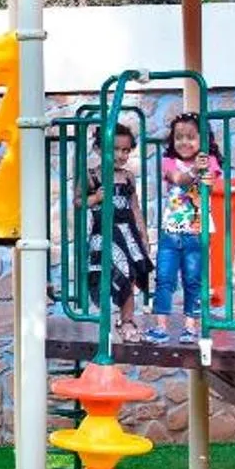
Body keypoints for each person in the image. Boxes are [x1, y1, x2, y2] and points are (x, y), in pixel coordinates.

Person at [153, 113, 223, 342]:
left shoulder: (209, 160)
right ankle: (161, 326)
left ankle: (191, 326)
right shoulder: (169, 162)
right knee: (164, 277)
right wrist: (194, 171)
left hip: (196, 230)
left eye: (191, 137)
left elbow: (210, 184)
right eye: (179, 137)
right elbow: (178, 179)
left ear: (203, 139)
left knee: (193, 278)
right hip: (171, 230)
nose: (184, 142)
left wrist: (207, 176)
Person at [88, 120, 151, 337]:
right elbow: (79, 201)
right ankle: (107, 318)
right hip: (105, 232)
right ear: (98, 149)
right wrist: (95, 197)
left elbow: (135, 207)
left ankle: (127, 320)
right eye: (114, 149)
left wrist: (143, 235)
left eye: (125, 150)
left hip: (128, 232)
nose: (121, 155)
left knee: (131, 274)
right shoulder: (92, 176)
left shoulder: (127, 177)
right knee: (109, 273)